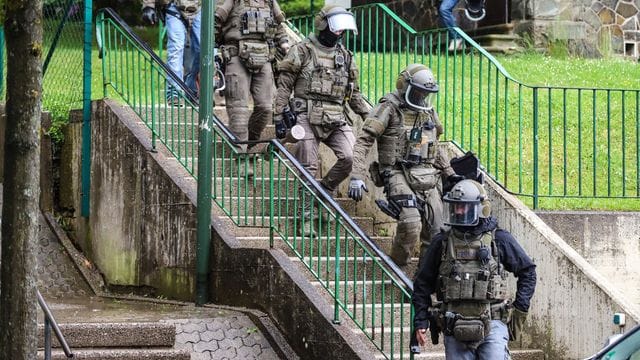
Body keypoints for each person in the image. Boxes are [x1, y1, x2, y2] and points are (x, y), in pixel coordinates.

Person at [348, 63, 460, 268]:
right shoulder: (389, 107)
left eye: (426, 93)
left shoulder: (427, 111)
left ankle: (423, 279)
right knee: (410, 223)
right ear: (405, 86)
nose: (422, 96)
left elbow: (435, 145)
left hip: (427, 174)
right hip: (397, 172)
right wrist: (357, 175)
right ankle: (397, 268)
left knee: (437, 231)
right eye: (418, 91)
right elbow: (364, 141)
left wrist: (449, 173)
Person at [412, 179, 537, 358]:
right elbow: (422, 283)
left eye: (464, 207)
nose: (459, 211)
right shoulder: (442, 242)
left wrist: (519, 310)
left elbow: (528, 272)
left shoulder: (499, 239)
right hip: (454, 325)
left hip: (492, 323)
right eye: (456, 207)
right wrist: (421, 320)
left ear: (481, 208)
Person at [275, 5, 370, 197]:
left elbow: (355, 94)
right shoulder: (302, 50)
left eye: (342, 29)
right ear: (323, 25)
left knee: (350, 157)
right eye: (336, 27)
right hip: (305, 117)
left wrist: (371, 118)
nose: (339, 33)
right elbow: (284, 86)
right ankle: (306, 219)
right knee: (308, 168)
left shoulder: (345, 56)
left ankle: (324, 192)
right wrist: (278, 114)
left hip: (336, 118)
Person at [215, 0, 290, 157]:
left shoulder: (269, 2)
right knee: (239, 109)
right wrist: (214, 49)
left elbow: (278, 26)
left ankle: (249, 142)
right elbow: (216, 21)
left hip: (264, 57)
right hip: (236, 54)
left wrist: (284, 43)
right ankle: (241, 156)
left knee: (266, 107)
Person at [141, 0, 201, 106]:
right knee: (175, 49)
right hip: (174, 7)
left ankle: (192, 89)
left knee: (202, 50)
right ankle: (174, 93)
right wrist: (148, 5)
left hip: (201, 7)